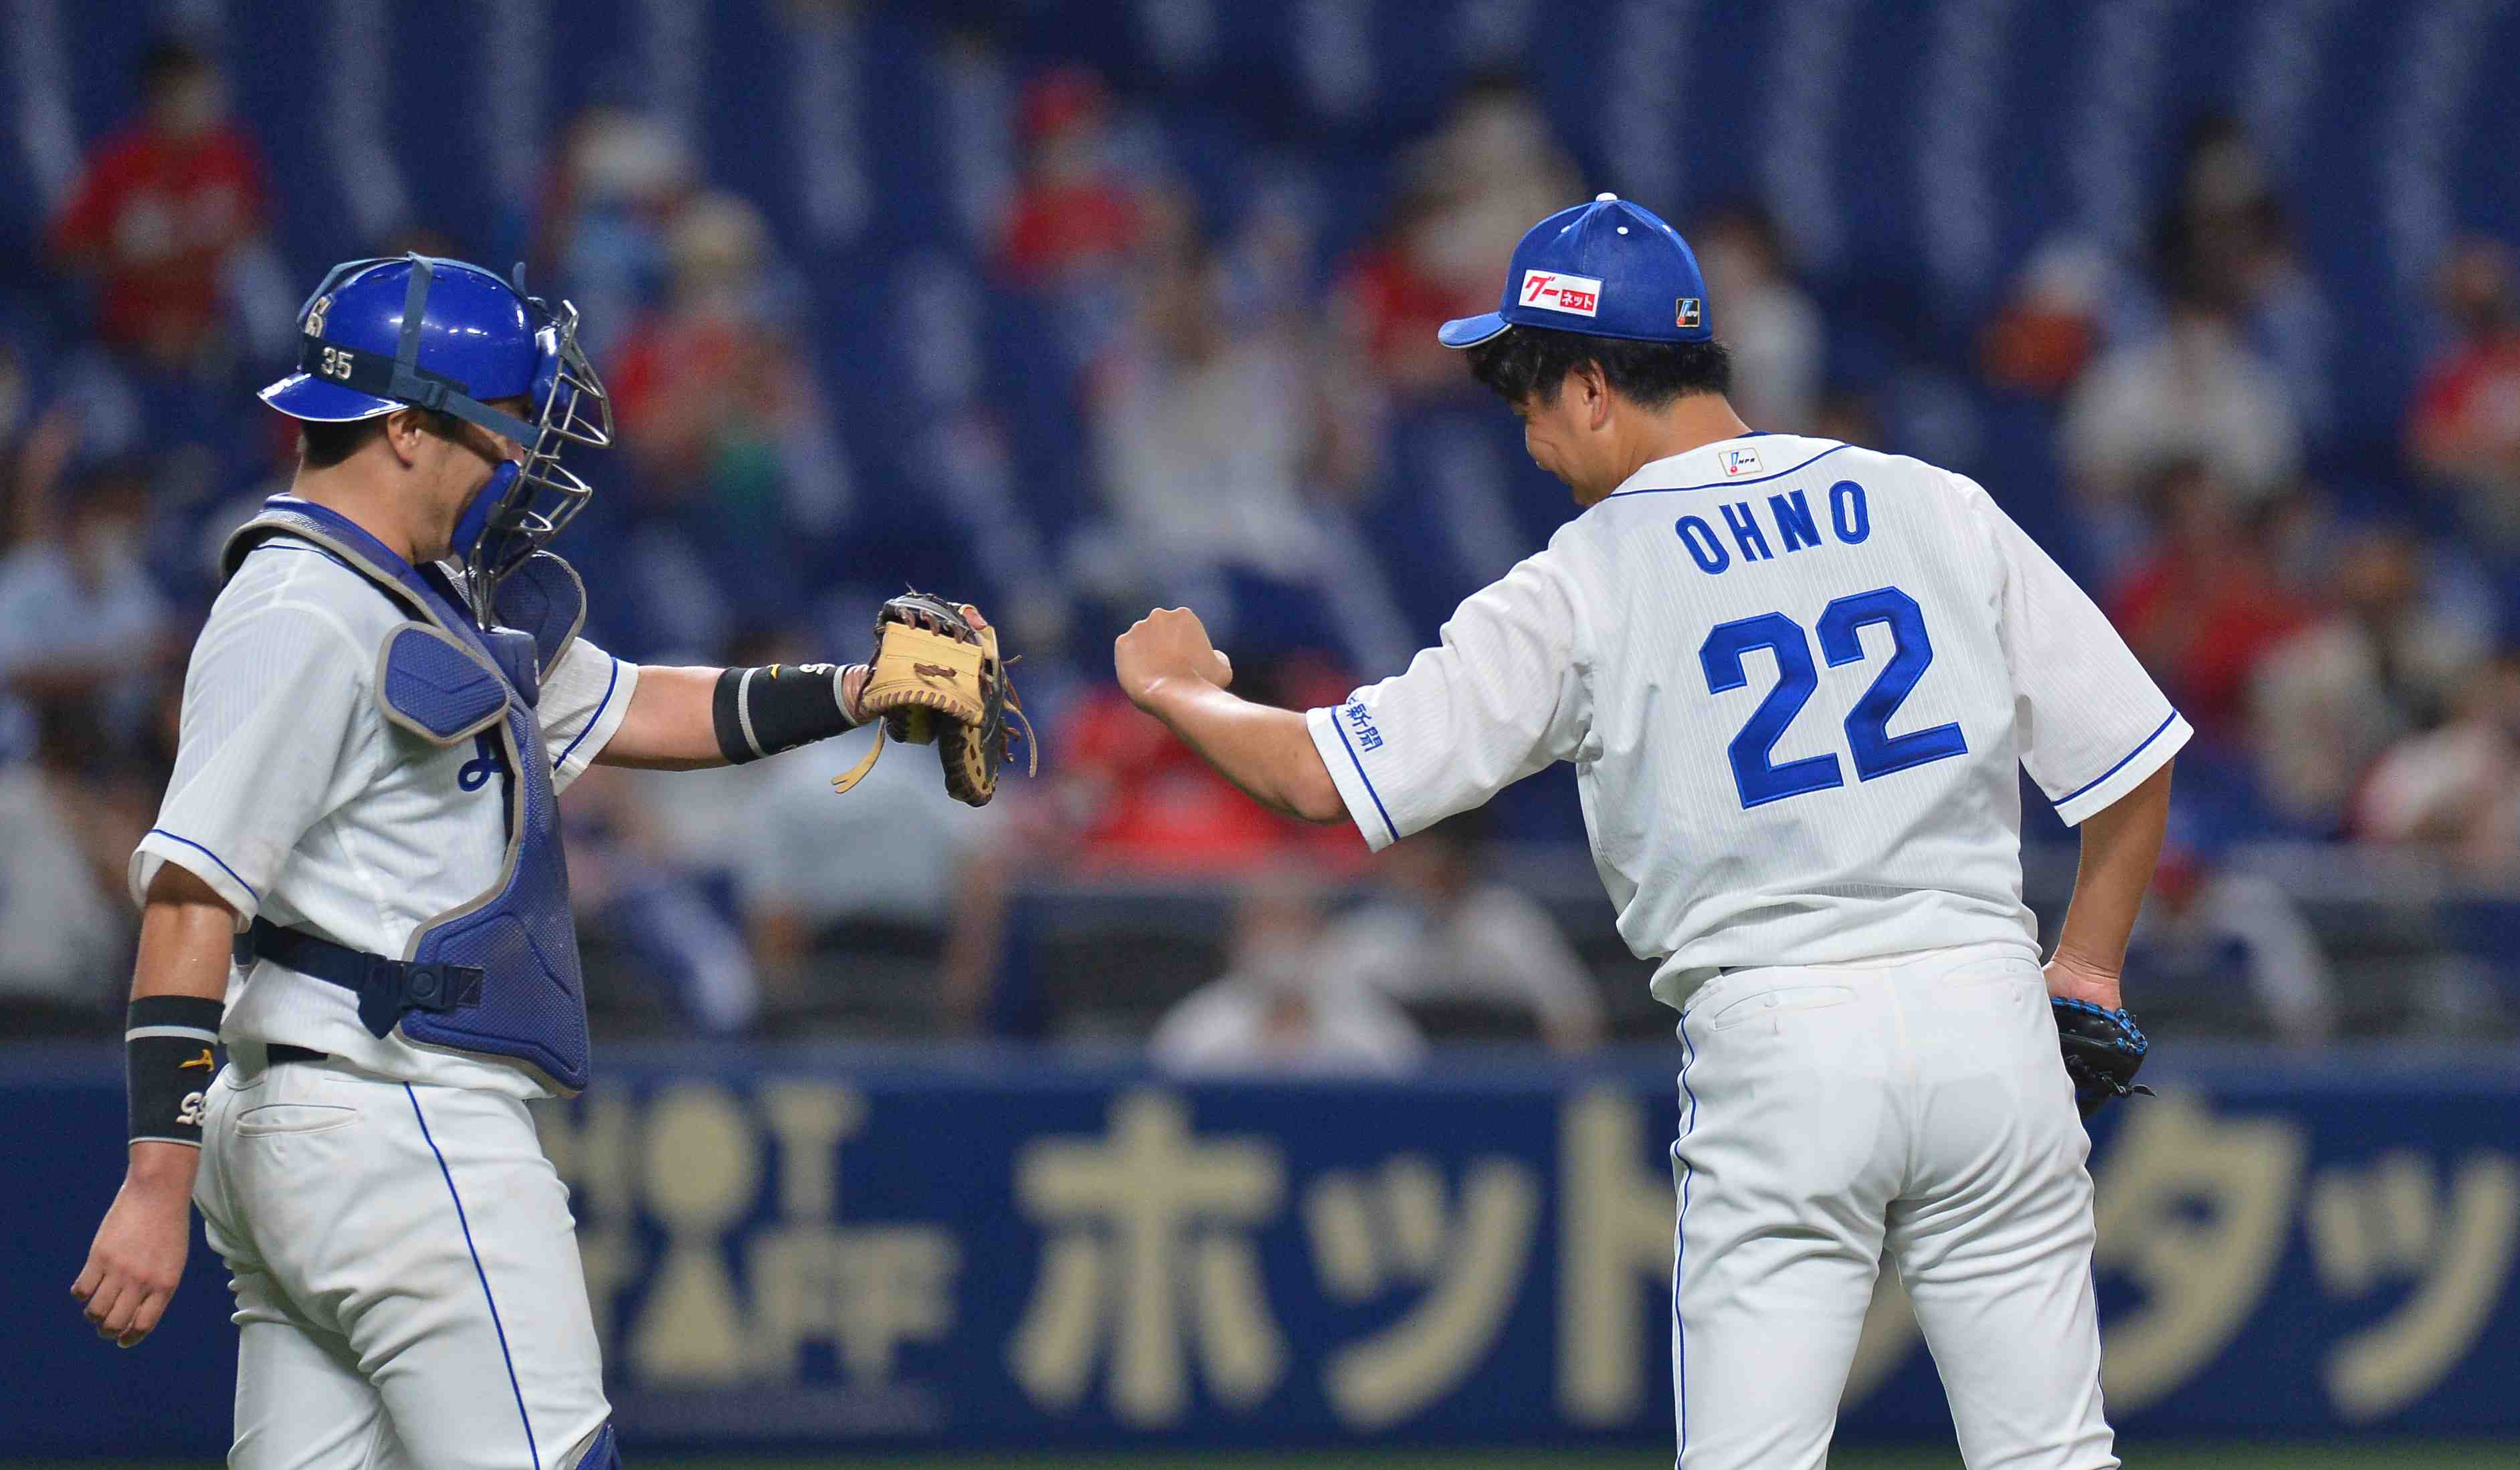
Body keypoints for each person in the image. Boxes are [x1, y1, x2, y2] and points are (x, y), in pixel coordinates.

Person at [1112, 194, 2184, 1469]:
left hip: (1784, 1042)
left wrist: (1181, 689)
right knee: (2056, 1456)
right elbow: (2132, 757)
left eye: (1526, 387)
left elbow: (1322, 779)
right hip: (1986, 1012)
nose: (1523, 427)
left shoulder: (1585, 578)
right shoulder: (1928, 503)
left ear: (1593, 381)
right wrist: (2087, 970)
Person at [67, 253, 980, 1467]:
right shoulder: (302, 607)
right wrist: (150, 1179)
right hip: (399, 1119)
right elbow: (192, 893)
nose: (515, 460)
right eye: (496, 428)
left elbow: (644, 707)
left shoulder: (418, 591)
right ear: (402, 428)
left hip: (327, 1126)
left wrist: (860, 690)